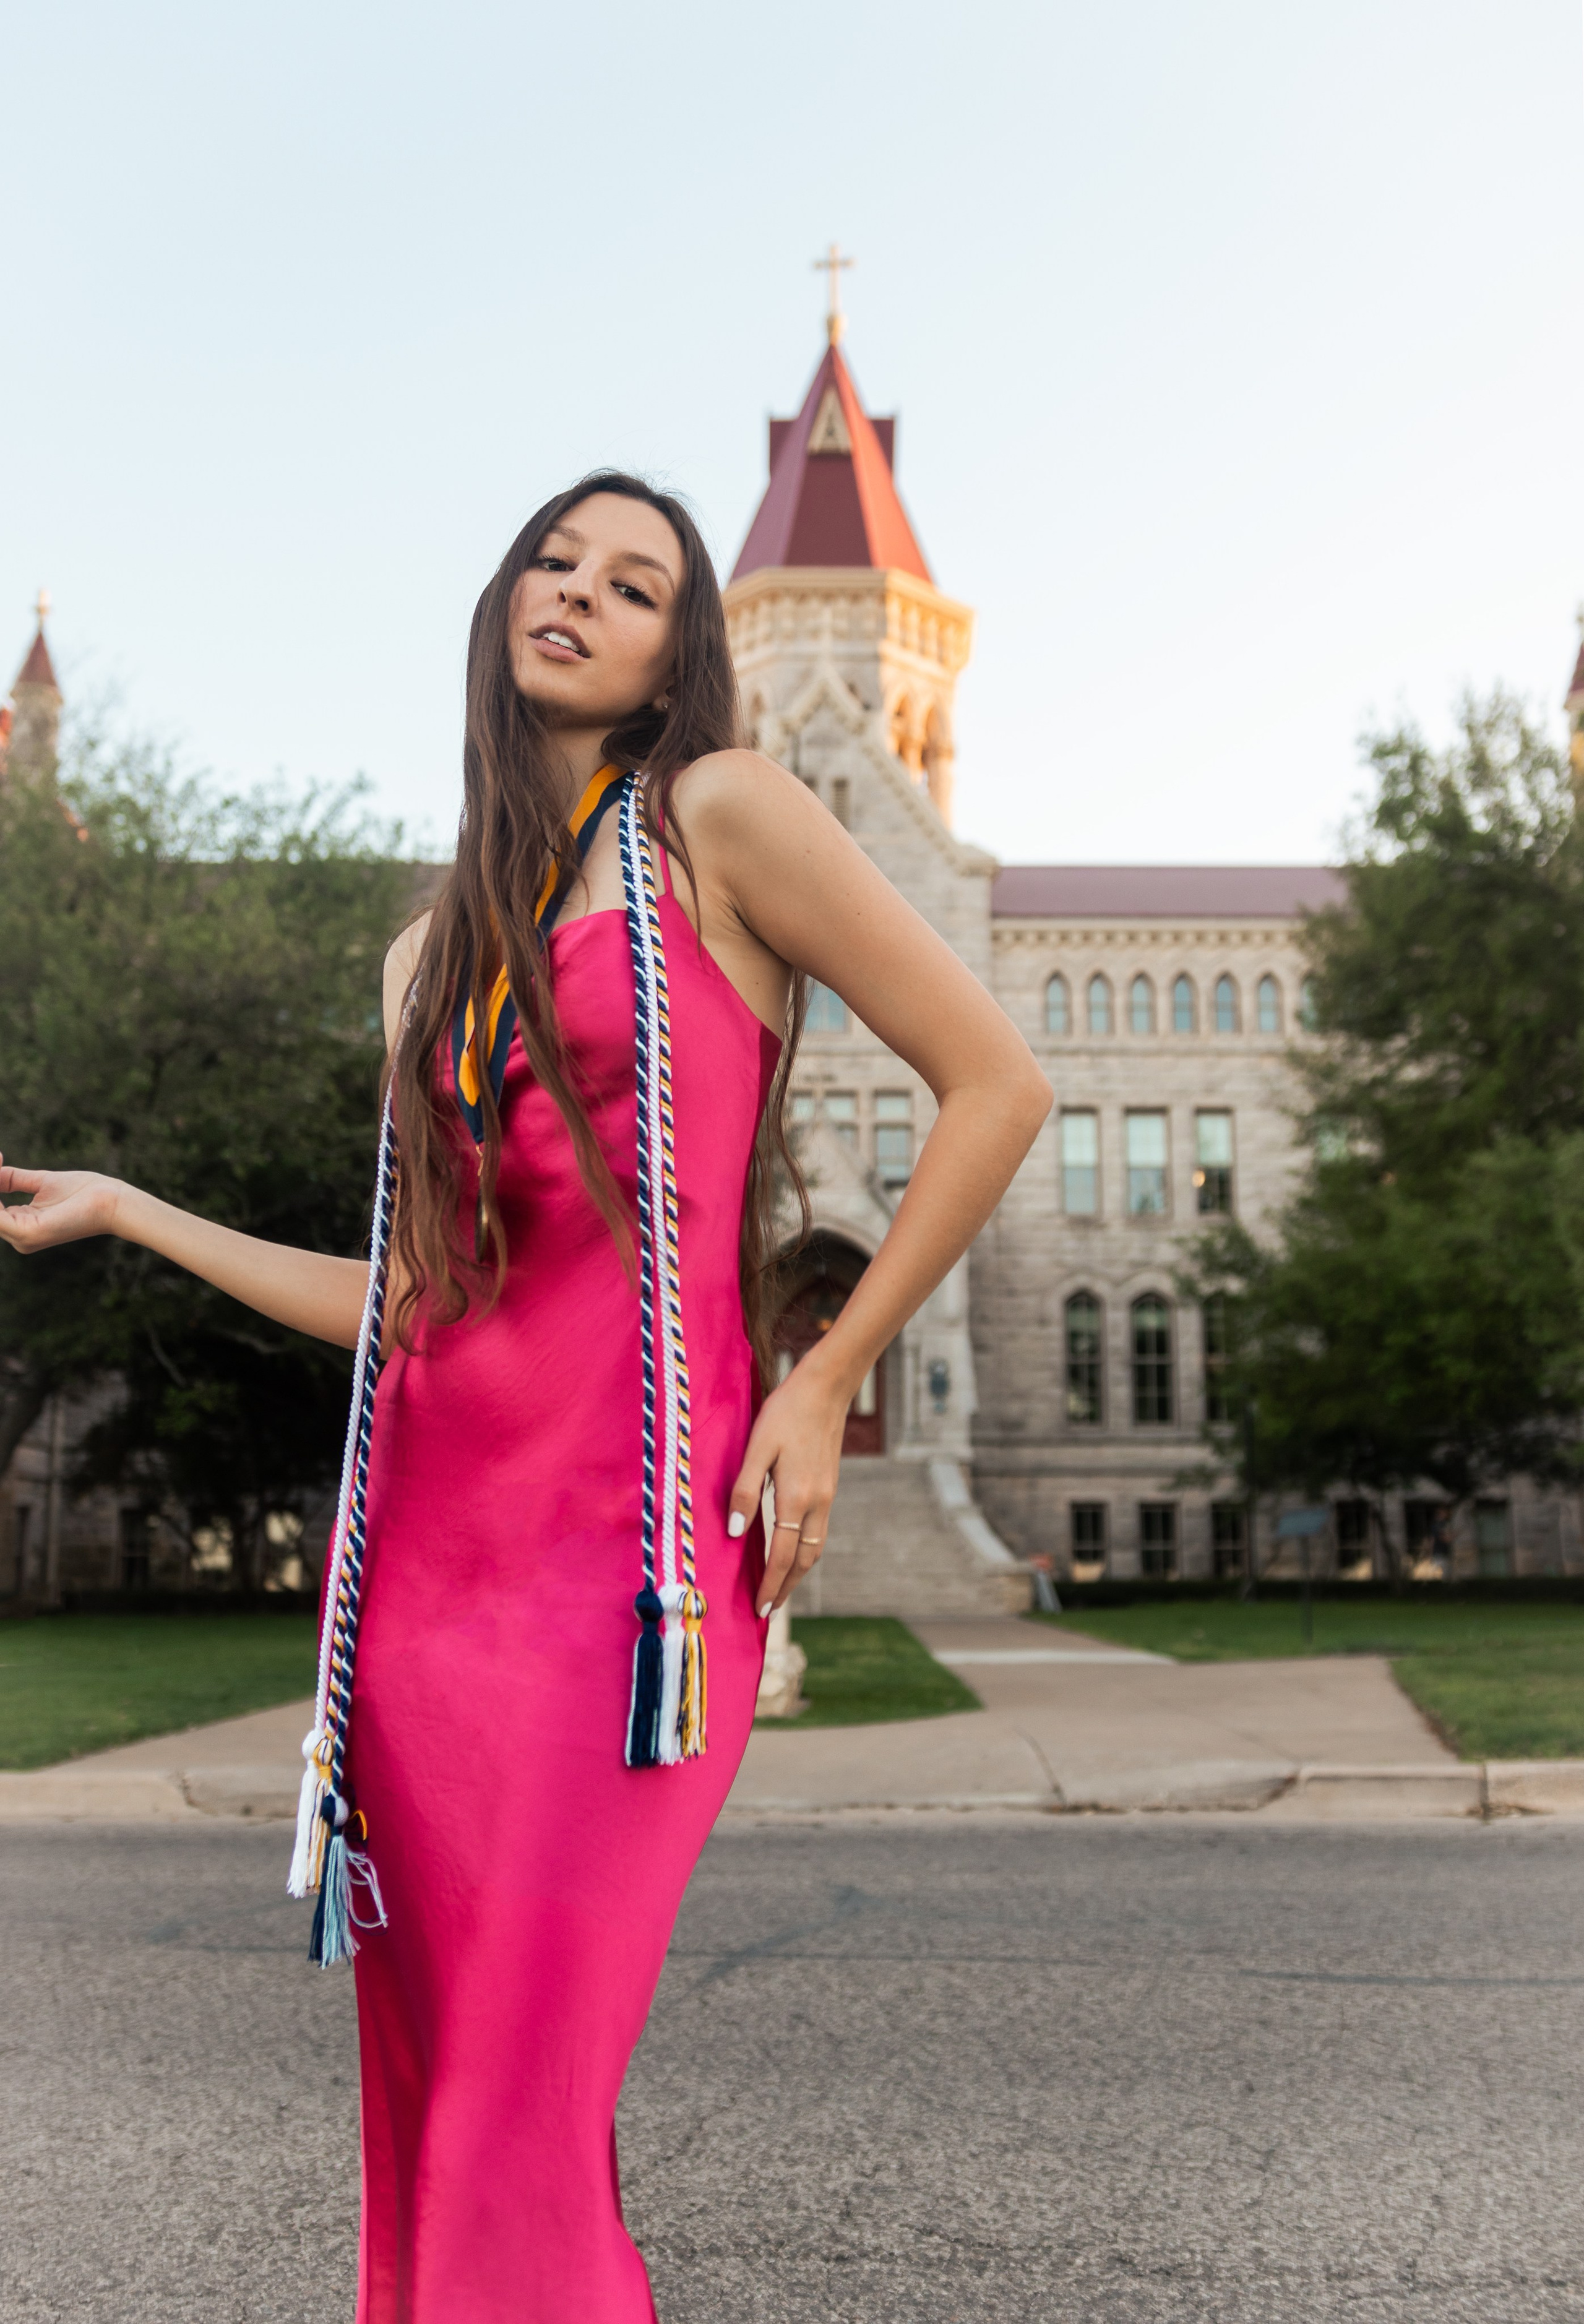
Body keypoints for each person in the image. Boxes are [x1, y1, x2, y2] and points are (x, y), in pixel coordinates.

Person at [0, 472, 1051, 2322]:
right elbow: (419, 1307)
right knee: (427, 2127)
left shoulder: (718, 823)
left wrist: (825, 1375)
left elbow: (995, 1084)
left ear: (674, 662)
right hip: (423, 1596)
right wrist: (135, 1212)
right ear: (503, 605)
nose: (579, 592)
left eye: (634, 582)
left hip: (623, 1584)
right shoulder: (433, 950)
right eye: (553, 561)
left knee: (511, 2119)